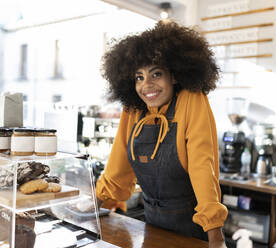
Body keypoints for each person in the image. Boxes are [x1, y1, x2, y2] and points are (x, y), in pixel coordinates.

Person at [96, 21, 228, 248]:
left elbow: (202, 167)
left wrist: (216, 237)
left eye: (156, 74)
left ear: (174, 76)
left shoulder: (191, 99)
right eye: (139, 77)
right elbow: (117, 167)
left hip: (192, 228)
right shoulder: (134, 108)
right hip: (152, 225)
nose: (146, 85)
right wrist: (91, 206)